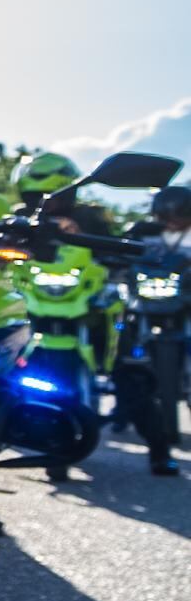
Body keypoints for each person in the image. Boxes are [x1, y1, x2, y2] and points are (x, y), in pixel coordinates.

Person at [124, 185, 191, 477]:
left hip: (184, 302)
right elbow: (121, 253)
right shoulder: (143, 232)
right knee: (126, 368)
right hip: (148, 303)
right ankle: (156, 442)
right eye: (165, 215)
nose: (171, 220)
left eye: (178, 214)